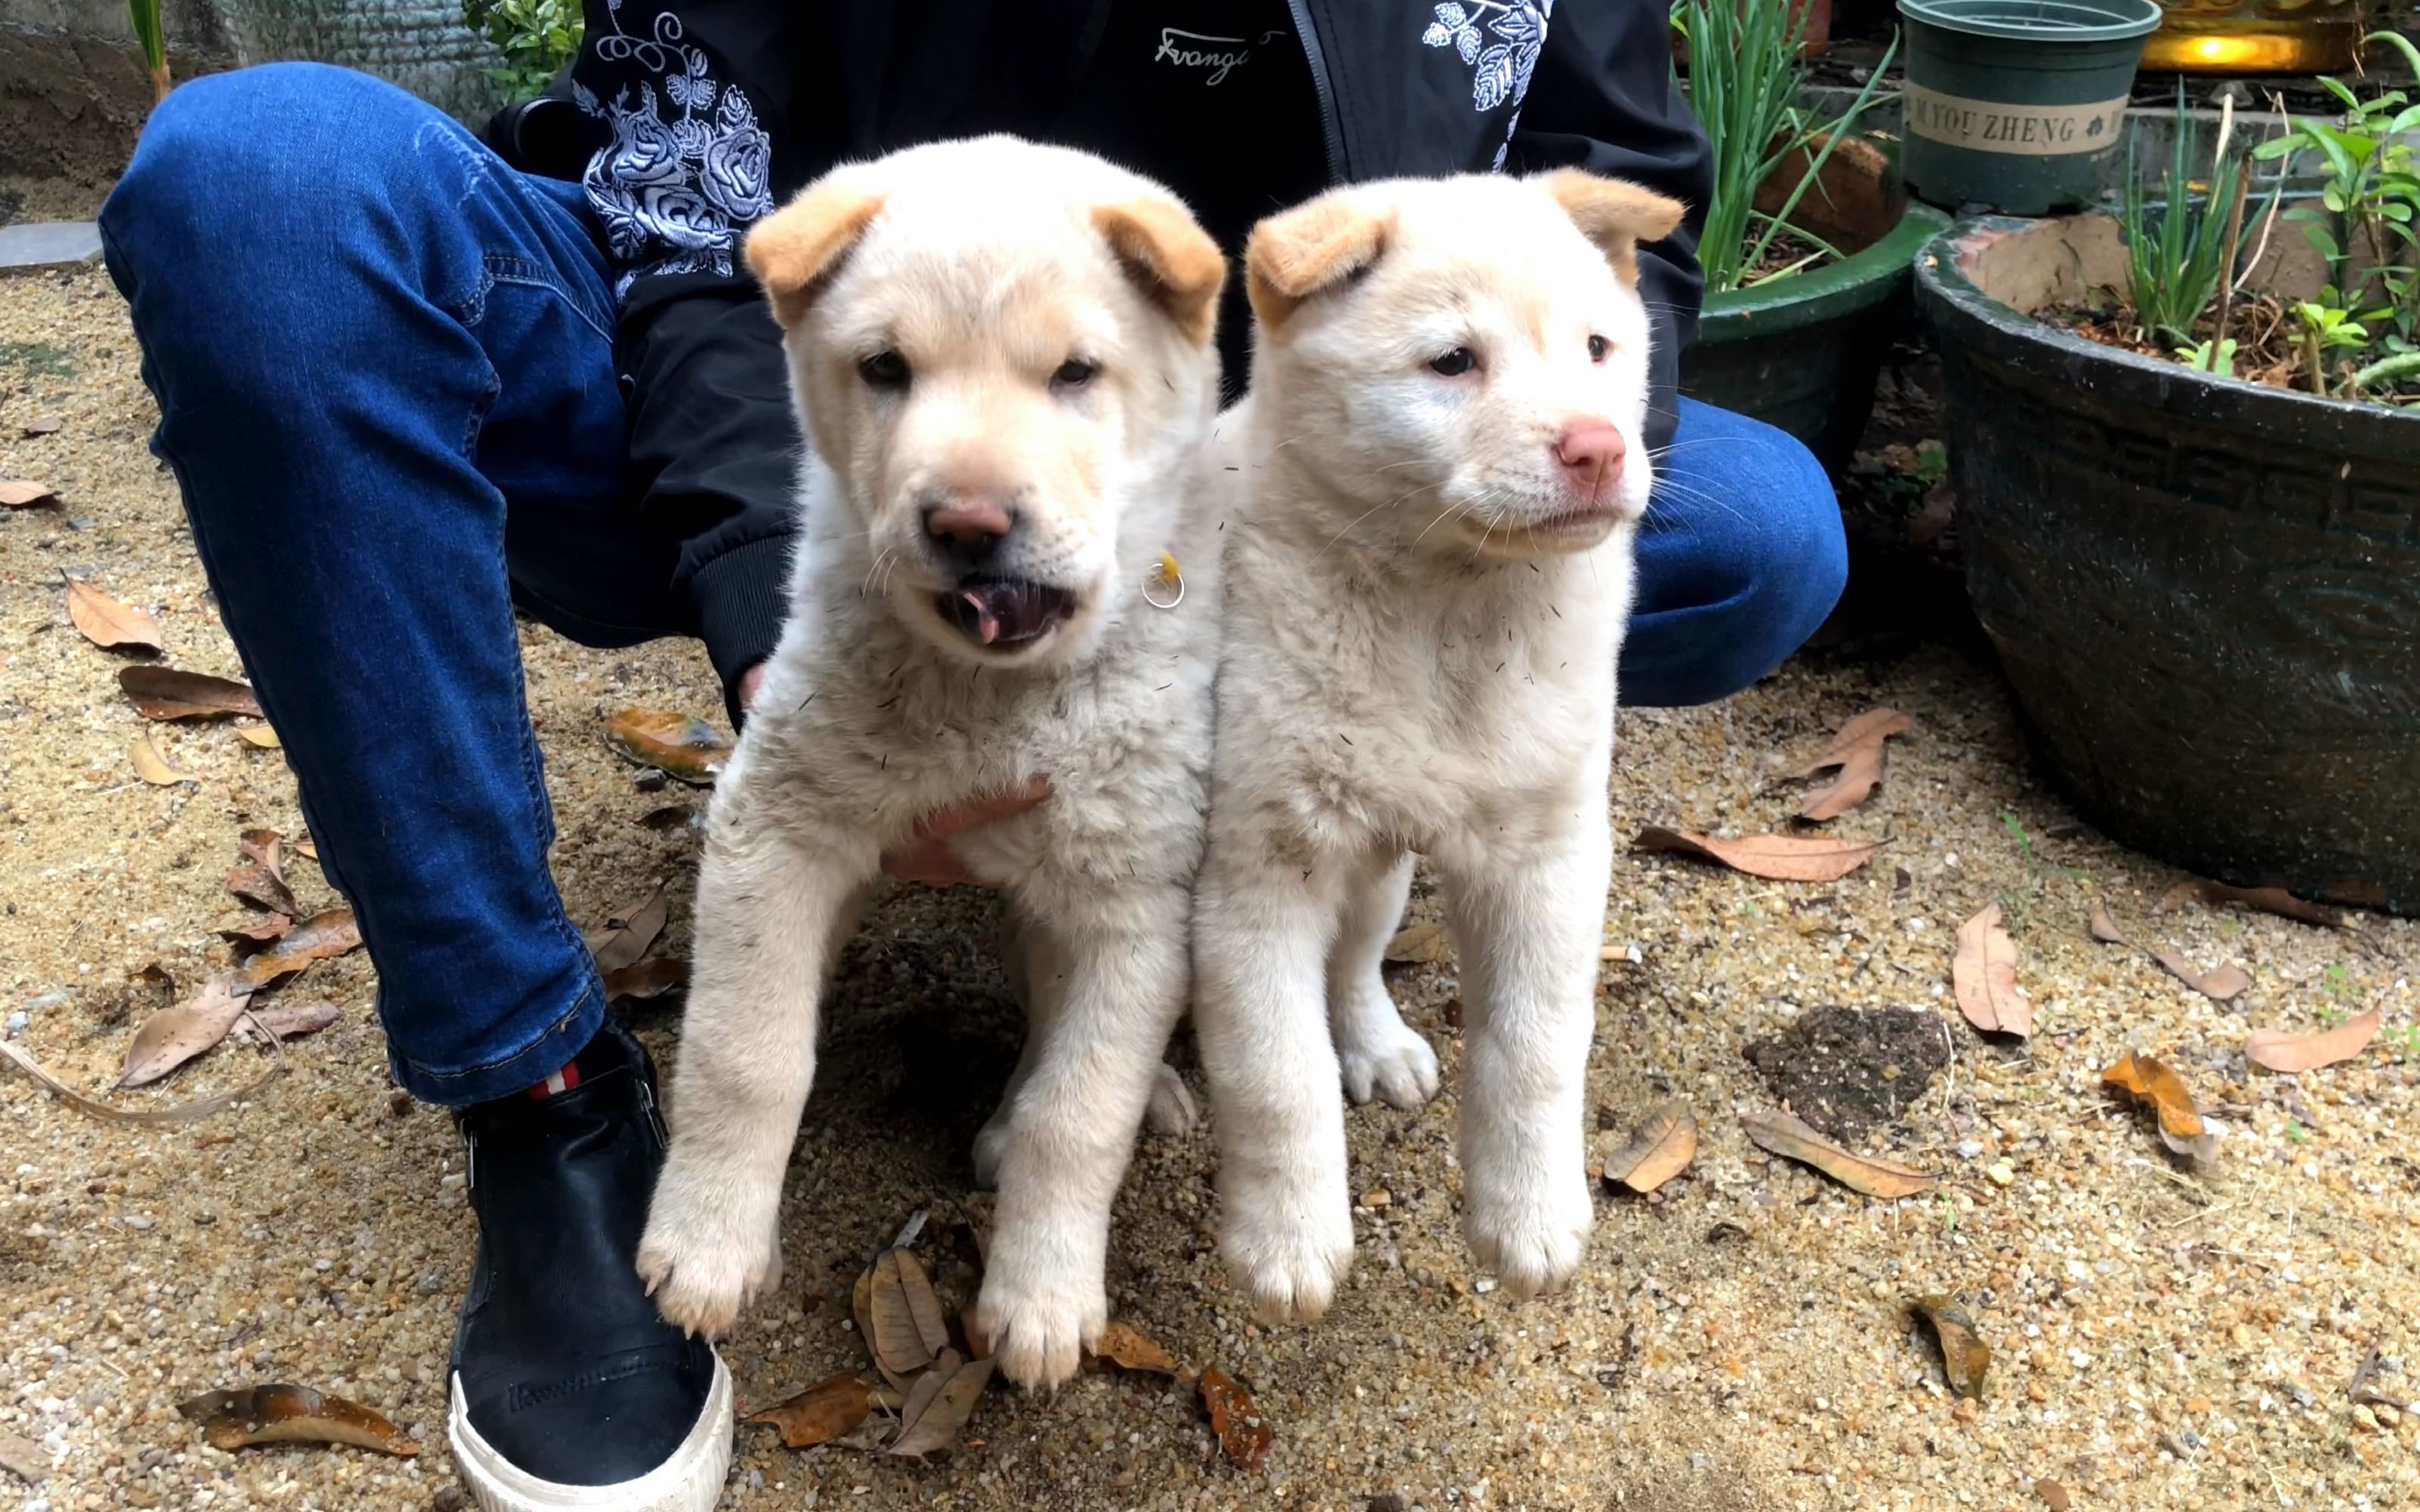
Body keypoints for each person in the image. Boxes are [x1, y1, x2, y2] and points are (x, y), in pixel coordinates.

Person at [97, 4, 1846, 1505]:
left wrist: (1446, 493)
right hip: (818, 429)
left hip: (1277, 462)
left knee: (1752, 529)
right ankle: (533, 1091)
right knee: (267, 185)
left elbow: (1625, 235)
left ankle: (1249, 797)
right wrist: (778, 619)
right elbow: (692, 207)